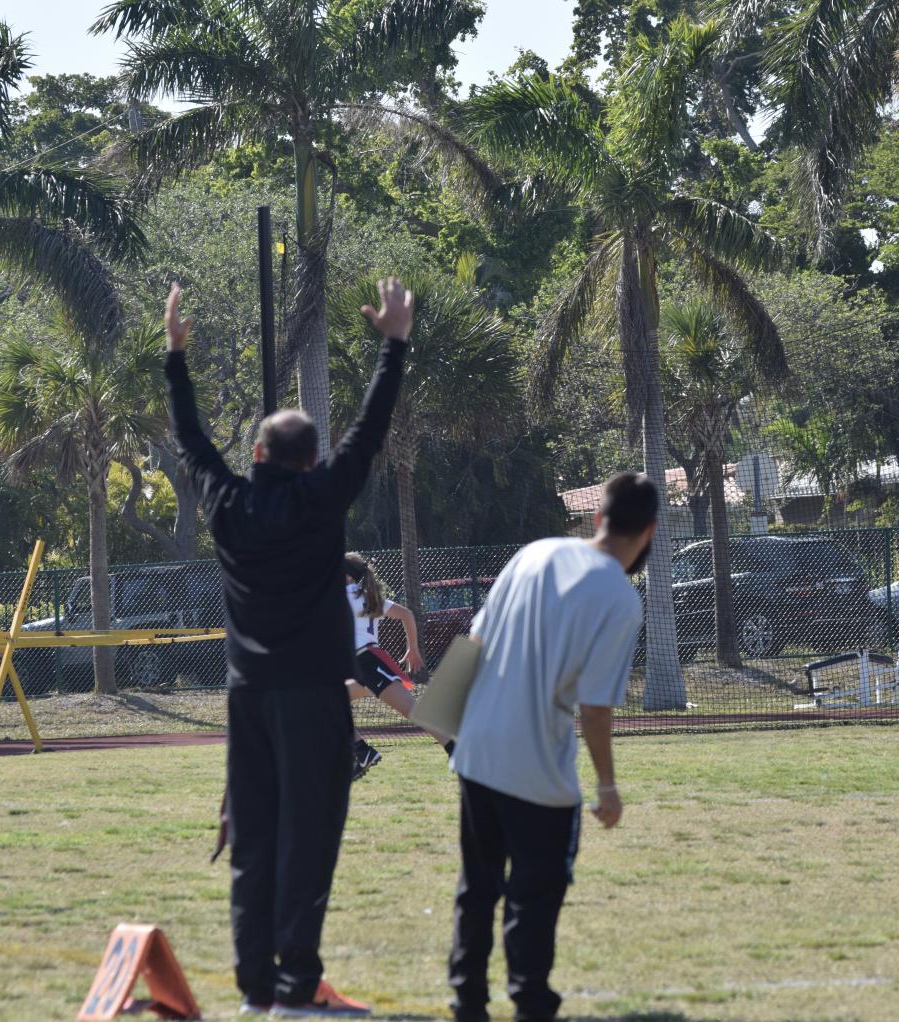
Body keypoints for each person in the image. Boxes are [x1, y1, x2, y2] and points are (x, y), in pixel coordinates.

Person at [164, 278, 413, 1017]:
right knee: (309, 844)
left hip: (246, 700)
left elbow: (190, 439)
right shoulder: (321, 498)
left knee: (254, 845)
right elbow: (369, 432)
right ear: (311, 464)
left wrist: (175, 357)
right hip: (312, 698)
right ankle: (294, 988)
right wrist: (392, 345)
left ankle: (252, 991)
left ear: (255, 453)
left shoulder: (227, 503)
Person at [445, 472, 656, 1022]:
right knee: (534, 896)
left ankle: (467, 1002)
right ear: (651, 530)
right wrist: (607, 785)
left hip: (477, 749)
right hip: (536, 768)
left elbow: (474, 640)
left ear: (597, 518)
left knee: (478, 886)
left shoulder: (535, 553)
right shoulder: (620, 598)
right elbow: (595, 706)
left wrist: (444, 722)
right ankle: (531, 1003)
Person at [342, 552, 452, 776]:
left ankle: (458, 751)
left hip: (367, 662)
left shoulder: (347, 596)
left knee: (414, 710)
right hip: (363, 664)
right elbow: (406, 614)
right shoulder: (365, 596)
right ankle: (362, 752)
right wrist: (412, 648)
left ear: (347, 577)